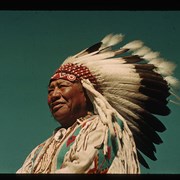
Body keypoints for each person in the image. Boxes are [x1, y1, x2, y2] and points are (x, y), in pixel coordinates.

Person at [16, 33, 179, 174]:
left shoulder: (101, 128)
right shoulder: (40, 149)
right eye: (50, 90)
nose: (54, 95)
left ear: (87, 92)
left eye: (62, 86)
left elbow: (84, 169)